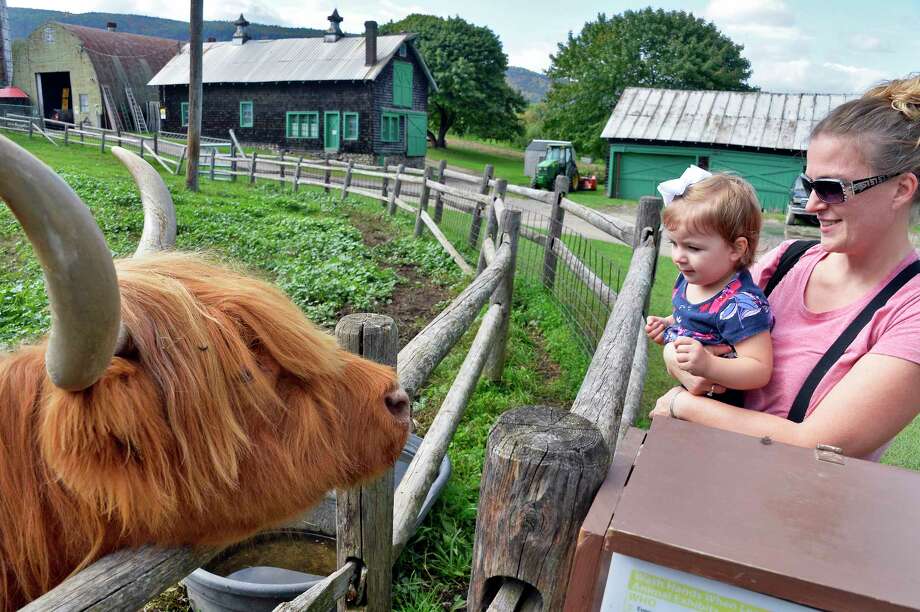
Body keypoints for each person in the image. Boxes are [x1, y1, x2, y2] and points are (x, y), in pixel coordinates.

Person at [652, 75, 920, 461]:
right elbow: (702, 336)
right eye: (808, 183)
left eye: (831, 188)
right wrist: (682, 359)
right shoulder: (789, 260)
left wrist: (684, 405)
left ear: (901, 189)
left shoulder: (909, 309)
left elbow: (822, 444)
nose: (811, 204)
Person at [645, 168, 773, 398]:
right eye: (674, 244)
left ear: (736, 248)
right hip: (690, 393)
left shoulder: (742, 304)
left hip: (722, 408)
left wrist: (709, 366)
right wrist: (668, 323)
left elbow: (760, 369)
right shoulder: (690, 280)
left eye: (693, 247)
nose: (678, 257)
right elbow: (697, 316)